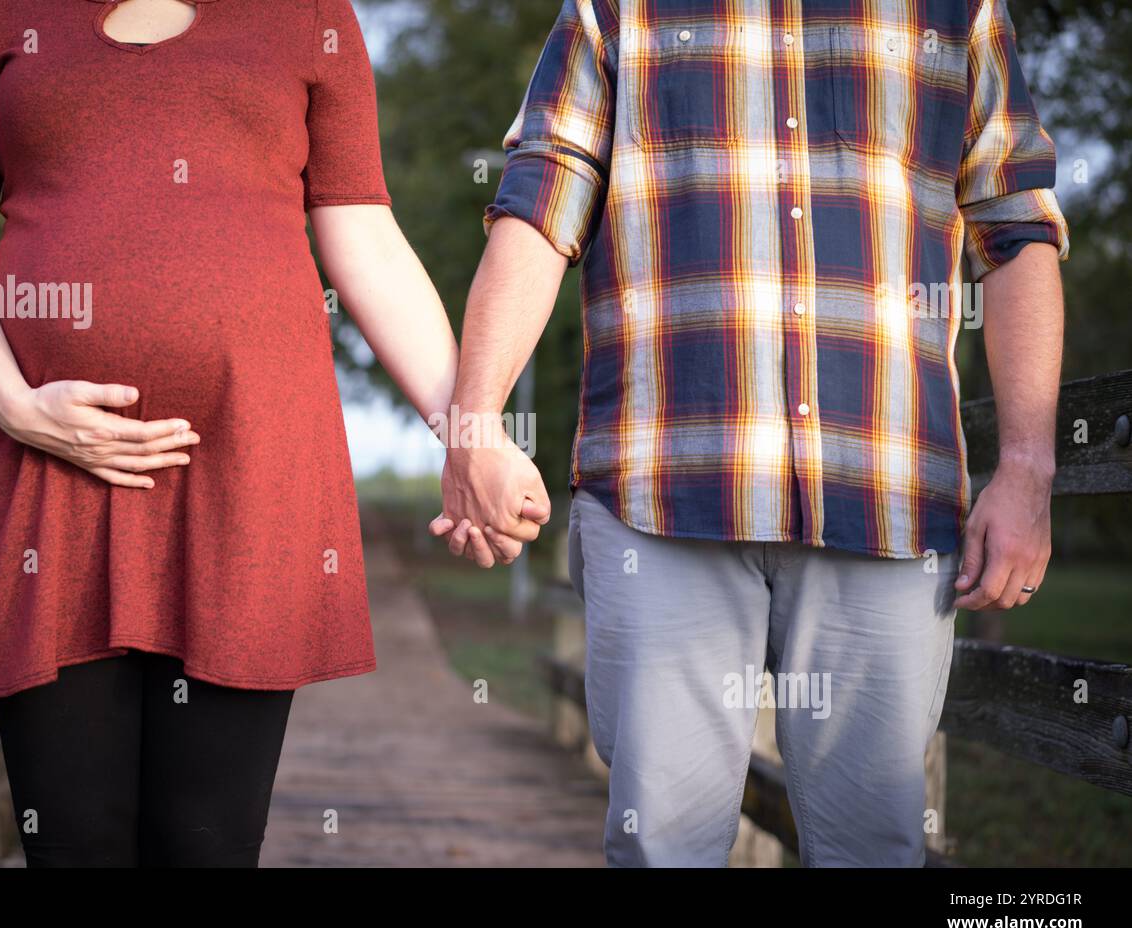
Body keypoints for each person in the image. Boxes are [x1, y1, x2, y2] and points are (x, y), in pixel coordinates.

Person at [435, 0, 1068, 866]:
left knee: (875, 848)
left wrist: (1028, 467)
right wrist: (475, 421)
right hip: (659, 497)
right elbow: (538, 205)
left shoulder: (959, 13)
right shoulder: (614, 11)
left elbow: (1018, 227)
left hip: (883, 498)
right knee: (661, 846)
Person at [0, 0, 459, 867]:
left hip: (245, 475)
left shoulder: (311, 16)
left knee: (207, 846)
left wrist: (470, 430)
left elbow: (367, 244)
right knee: (73, 844)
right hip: (42, 467)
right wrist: (15, 404)